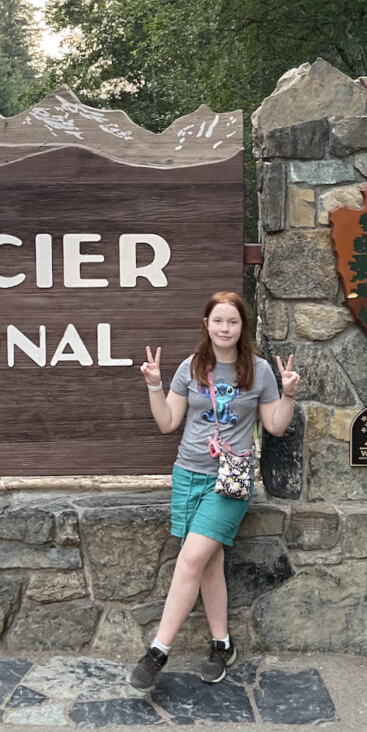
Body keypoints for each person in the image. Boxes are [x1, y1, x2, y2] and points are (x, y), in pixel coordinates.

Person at [129, 291, 299, 692]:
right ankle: (222, 644)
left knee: (189, 561)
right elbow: (168, 422)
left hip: (230, 480)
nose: (225, 328)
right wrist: (154, 385)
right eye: (218, 320)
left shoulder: (258, 371)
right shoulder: (192, 367)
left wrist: (289, 394)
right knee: (208, 562)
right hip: (189, 474)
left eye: (233, 321)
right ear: (206, 324)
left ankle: (157, 652)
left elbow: (274, 425)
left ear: (243, 327)